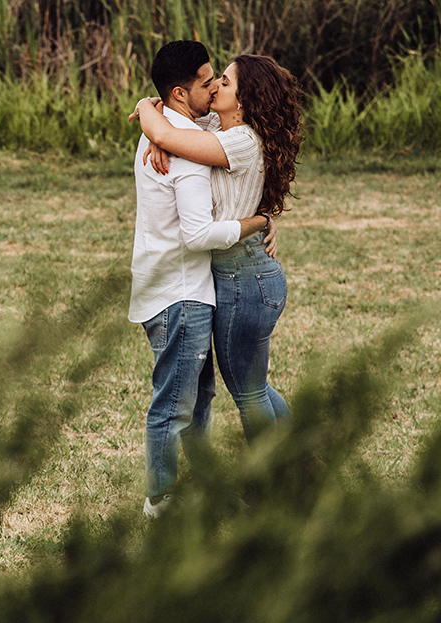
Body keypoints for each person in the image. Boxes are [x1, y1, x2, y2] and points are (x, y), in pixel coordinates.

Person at [128, 41, 272, 519]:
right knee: (175, 403)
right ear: (179, 92)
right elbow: (197, 235)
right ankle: (161, 500)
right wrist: (256, 222)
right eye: (206, 82)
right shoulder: (183, 148)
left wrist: (149, 111)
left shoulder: (173, 132)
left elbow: (166, 122)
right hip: (181, 292)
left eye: (217, 80)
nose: (213, 88)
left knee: (199, 398)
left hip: (173, 287)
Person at [133, 54, 302, 446]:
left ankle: (277, 471)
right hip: (243, 273)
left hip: (245, 277)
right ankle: (301, 459)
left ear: (243, 99)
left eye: (224, 82)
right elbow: (172, 128)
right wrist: (150, 109)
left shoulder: (240, 141)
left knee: (249, 393)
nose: (214, 87)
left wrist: (158, 130)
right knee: (255, 387)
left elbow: (170, 135)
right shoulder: (216, 126)